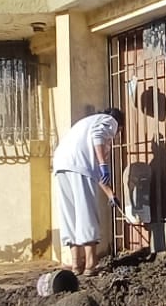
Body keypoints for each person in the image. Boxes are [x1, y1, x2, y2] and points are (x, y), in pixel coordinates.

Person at [52, 107, 124, 277]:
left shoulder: (84, 125)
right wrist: (103, 164)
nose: (117, 133)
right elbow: (97, 138)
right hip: (78, 166)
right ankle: (91, 265)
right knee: (86, 214)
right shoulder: (107, 120)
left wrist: (110, 194)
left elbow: (90, 169)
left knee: (70, 215)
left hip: (61, 164)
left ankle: (76, 265)